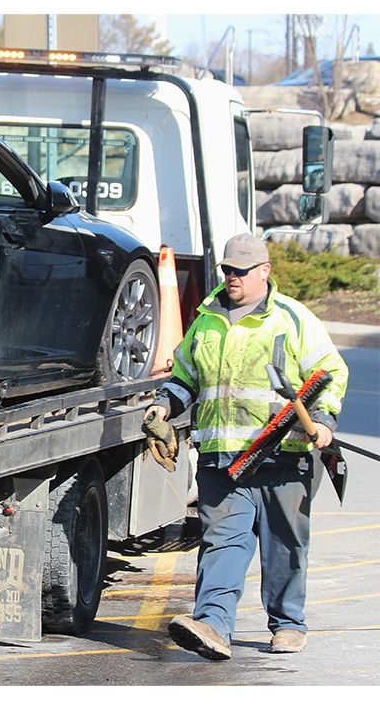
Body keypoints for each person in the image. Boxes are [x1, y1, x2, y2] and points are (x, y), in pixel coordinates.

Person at [146, 232, 348, 661]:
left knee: (285, 545)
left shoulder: (292, 318)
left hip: (283, 457)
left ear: (264, 272)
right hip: (224, 461)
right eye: (227, 269)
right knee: (222, 542)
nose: (231, 277)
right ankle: (213, 625)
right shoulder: (207, 319)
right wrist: (164, 407)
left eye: (240, 270)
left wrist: (324, 422)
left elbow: (329, 371)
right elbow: (185, 377)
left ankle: (288, 623)